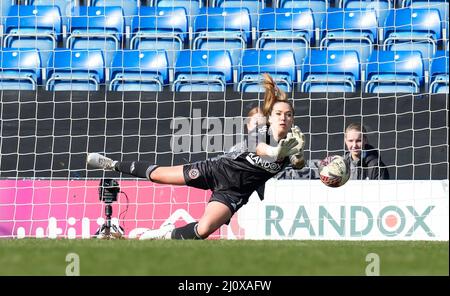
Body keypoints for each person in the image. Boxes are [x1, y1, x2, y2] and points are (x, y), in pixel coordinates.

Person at [86, 73, 305, 240]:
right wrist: (276, 152)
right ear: (270, 117)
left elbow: (297, 163)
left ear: (293, 119)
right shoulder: (261, 131)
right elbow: (258, 148)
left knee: (204, 230)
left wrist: (296, 157)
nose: (283, 118)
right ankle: (113, 164)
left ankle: (162, 235)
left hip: (235, 192)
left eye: (288, 115)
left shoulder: (292, 142)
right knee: (159, 175)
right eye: (278, 114)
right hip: (216, 170)